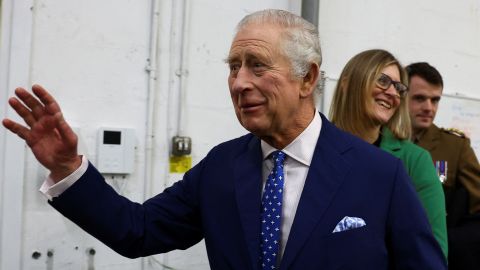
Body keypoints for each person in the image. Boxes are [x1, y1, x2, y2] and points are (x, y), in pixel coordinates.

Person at [2, 10, 446, 269]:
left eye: (257, 65)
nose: (238, 83)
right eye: (233, 67)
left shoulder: (379, 175)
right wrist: (66, 168)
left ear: (307, 78)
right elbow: (136, 231)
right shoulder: (222, 167)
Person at [329, 49, 448, 259]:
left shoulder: (414, 160)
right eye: (382, 81)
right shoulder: (315, 148)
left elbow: (432, 252)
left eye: (399, 87)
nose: (393, 93)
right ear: (347, 84)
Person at [406, 62, 480, 269]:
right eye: (419, 98)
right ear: (402, 95)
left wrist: (454, 240)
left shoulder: (455, 146)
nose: (429, 107)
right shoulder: (382, 140)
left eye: (435, 100)